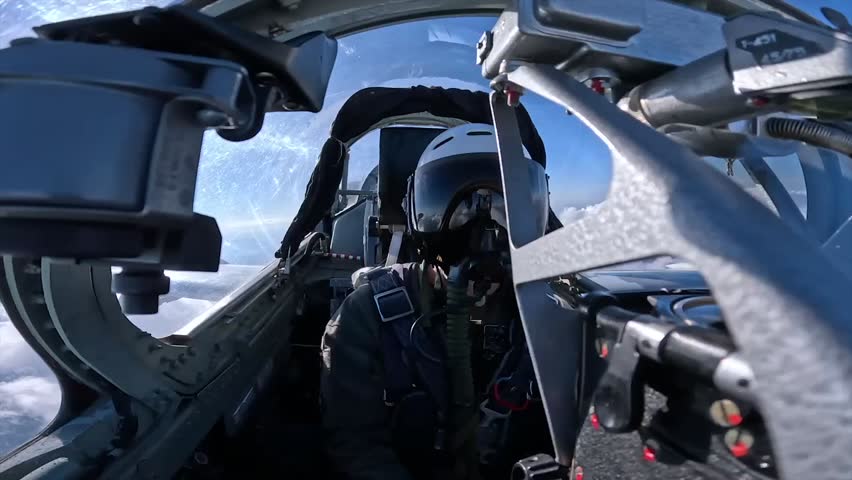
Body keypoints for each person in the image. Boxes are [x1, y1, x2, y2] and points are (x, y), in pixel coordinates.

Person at [320, 123, 553, 480]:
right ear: (416, 211)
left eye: (502, 207)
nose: (483, 227)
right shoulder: (367, 313)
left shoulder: (555, 313)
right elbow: (355, 444)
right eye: (456, 205)